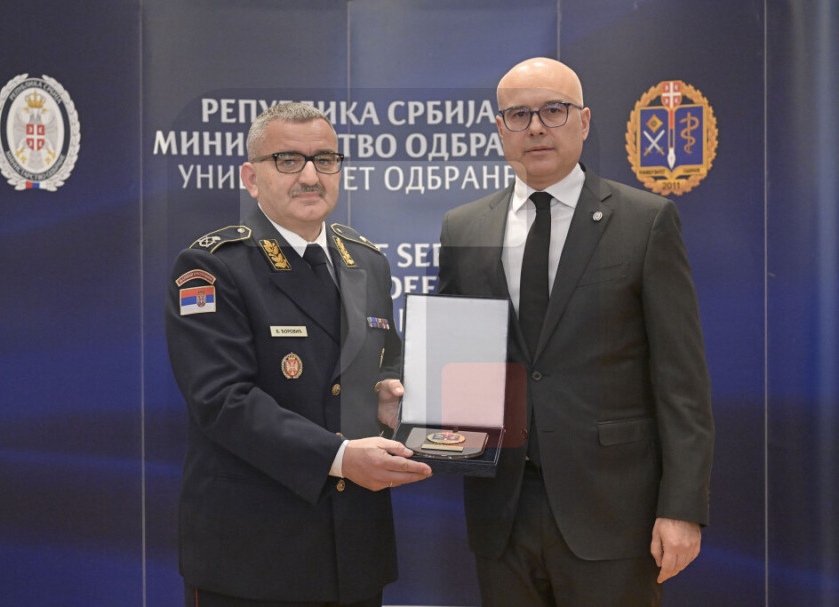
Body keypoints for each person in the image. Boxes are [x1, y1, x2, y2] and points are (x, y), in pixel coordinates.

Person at [437, 58, 714, 606]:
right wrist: (417, 401)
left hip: (614, 513)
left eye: (554, 110)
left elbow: (681, 380)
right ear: (500, 129)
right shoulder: (464, 226)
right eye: (518, 115)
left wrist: (682, 507)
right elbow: (455, 357)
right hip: (503, 512)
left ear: (584, 122)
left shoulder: (645, 221)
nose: (536, 127)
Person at [165, 102, 432, 607]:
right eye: (288, 160)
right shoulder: (211, 267)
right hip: (252, 555)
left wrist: (390, 397)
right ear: (251, 177)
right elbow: (222, 401)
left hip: (355, 549)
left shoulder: (367, 261)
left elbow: (384, 362)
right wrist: (339, 457)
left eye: (325, 159)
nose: (310, 176)